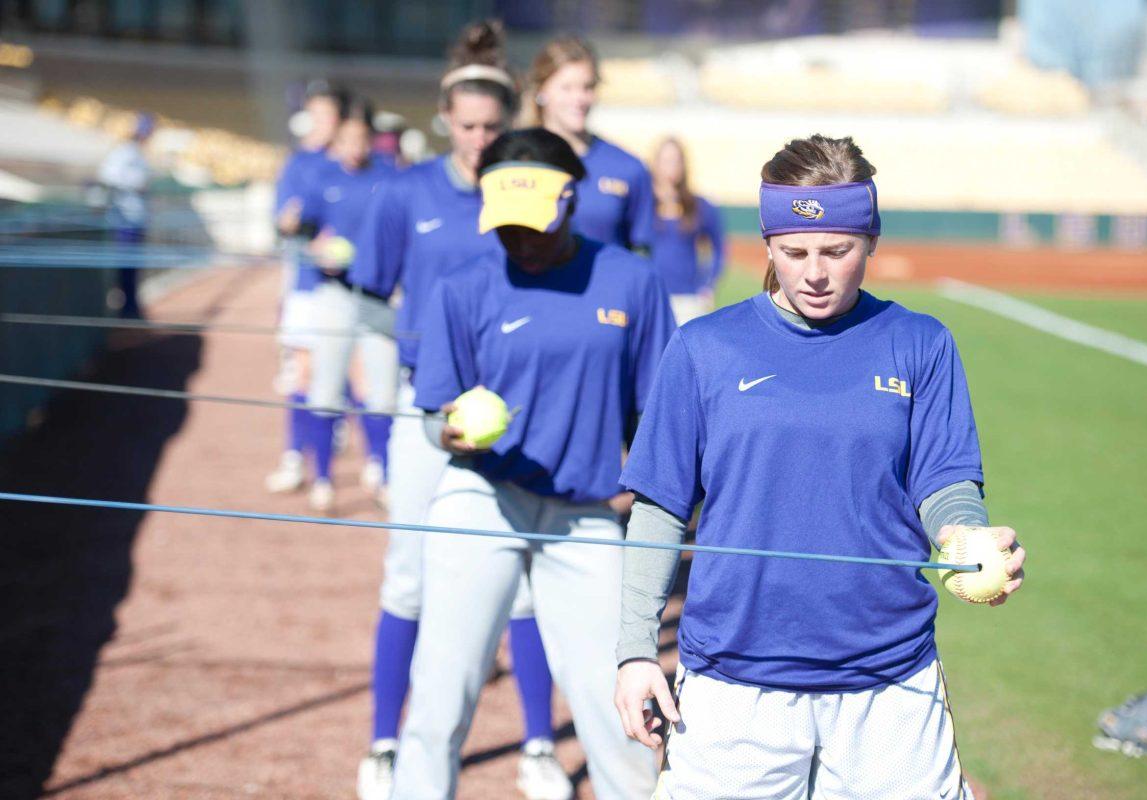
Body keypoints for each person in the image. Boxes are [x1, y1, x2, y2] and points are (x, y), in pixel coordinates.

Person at [613, 135, 1027, 799]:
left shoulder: (921, 344)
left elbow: (946, 482)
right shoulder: (702, 349)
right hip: (733, 683)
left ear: (871, 239)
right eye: (794, 251)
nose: (814, 272)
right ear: (769, 245)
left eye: (837, 251)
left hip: (889, 681)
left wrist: (963, 538)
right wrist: (636, 650)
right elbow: (661, 508)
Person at [395, 127, 674, 800]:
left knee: (619, 706)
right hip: (481, 499)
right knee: (441, 693)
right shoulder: (463, 288)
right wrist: (450, 431)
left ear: (572, 199)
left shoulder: (632, 282)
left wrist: (654, 495)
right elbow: (434, 412)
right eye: (506, 225)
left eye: (532, 223)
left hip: (586, 517)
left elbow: (659, 417)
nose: (517, 239)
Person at [347, 22, 576, 800]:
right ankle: (385, 742)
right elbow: (371, 300)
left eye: (492, 127)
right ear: (446, 118)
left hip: (519, 419)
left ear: (510, 123)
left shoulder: (533, 198)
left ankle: (539, 744)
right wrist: (419, 367)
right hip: (428, 420)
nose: (479, 140)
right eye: (467, 125)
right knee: (408, 580)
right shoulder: (403, 195)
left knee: (523, 588)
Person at [300, 97, 400, 512]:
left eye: (362, 138)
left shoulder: (390, 178)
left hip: (377, 296)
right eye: (347, 139)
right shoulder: (321, 177)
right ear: (337, 142)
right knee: (325, 385)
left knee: (384, 393)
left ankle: (384, 472)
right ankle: (322, 478)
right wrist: (314, 246)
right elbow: (300, 230)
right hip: (334, 294)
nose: (355, 146)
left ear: (372, 141)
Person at [264, 81, 347, 505]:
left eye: (329, 114)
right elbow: (279, 220)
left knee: (343, 376)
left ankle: (336, 464)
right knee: (302, 371)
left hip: (347, 289)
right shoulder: (297, 163)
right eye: (316, 113)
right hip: (306, 284)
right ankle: (297, 457)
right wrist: (293, 224)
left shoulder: (353, 163)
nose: (322, 123)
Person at [526, 36, 654, 250]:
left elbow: (642, 255)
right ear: (541, 91)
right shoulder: (514, 160)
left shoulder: (628, 168)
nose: (579, 99)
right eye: (566, 88)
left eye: (587, 87)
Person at [647, 136, 725, 324]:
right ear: (656, 164)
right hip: (652, 297)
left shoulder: (700, 206)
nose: (671, 166)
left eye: (676, 160)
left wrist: (707, 286)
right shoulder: (644, 206)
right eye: (666, 160)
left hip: (689, 300)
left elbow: (719, 249)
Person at [97, 111, 155, 319]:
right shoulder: (123, 152)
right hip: (125, 219)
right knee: (125, 265)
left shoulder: (138, 153)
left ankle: (132, 306)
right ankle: (126, 309)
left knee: (134, 266)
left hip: (137, 218)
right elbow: (108, 177)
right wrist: (134, 185)